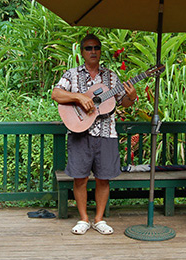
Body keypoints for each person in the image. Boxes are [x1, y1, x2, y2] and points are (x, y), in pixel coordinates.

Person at [52, 34, 138, 235]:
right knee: (79, 178)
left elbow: (122, 101)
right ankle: (83, 219)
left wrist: (132, 98)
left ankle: (99, 219)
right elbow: (56, 94)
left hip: (107, 133)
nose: (93, 52)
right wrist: (79, 97)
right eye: (89, 48)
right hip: (79, 130)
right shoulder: (71, 74)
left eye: (96, 48)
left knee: (103, 178)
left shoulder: (111, 76)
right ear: (82, 52)